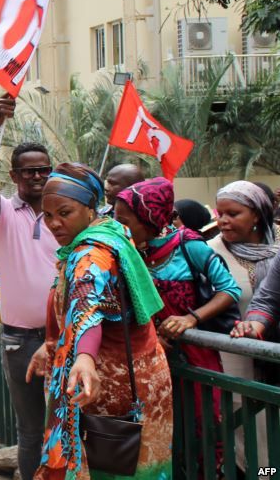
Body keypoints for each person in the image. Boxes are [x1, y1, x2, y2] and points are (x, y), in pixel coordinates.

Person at [29, 164, 172, 479]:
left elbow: (88, 305)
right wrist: (51, 344)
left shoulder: (91, 254)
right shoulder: (113, 233)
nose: (54, 223)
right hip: (138, 375)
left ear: (90, 207)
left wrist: (83, 357)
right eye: (47, 215)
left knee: (112, 469)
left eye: (64, 212)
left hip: (107, 386)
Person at [115, 178, 240, 470]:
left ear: (149, 218)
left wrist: (190, 318)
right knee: (161, 434)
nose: (118, 227)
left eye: (124, 221)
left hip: (195, 359)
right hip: (150, 360)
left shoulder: (188, 245)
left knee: (204, 430)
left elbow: (229, 290)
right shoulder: (127, 251)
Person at [0, 95, 60, 480]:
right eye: (29, 172)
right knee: (30, 430)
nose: (38, 176)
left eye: (44, 170)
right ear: (14, 176)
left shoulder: (67, 216)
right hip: (21, 340)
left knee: (70, 424)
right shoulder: (2, 214)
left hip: (67, 335)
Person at [212, 181, 279, 470]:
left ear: (257, 214)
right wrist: (253, 324)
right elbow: (268, 299)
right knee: (251, 442)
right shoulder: (208, 252)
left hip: (273, 362)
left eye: (233, 213)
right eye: (221, 213)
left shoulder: (276, 245)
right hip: (238, 362)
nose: (224, 220)